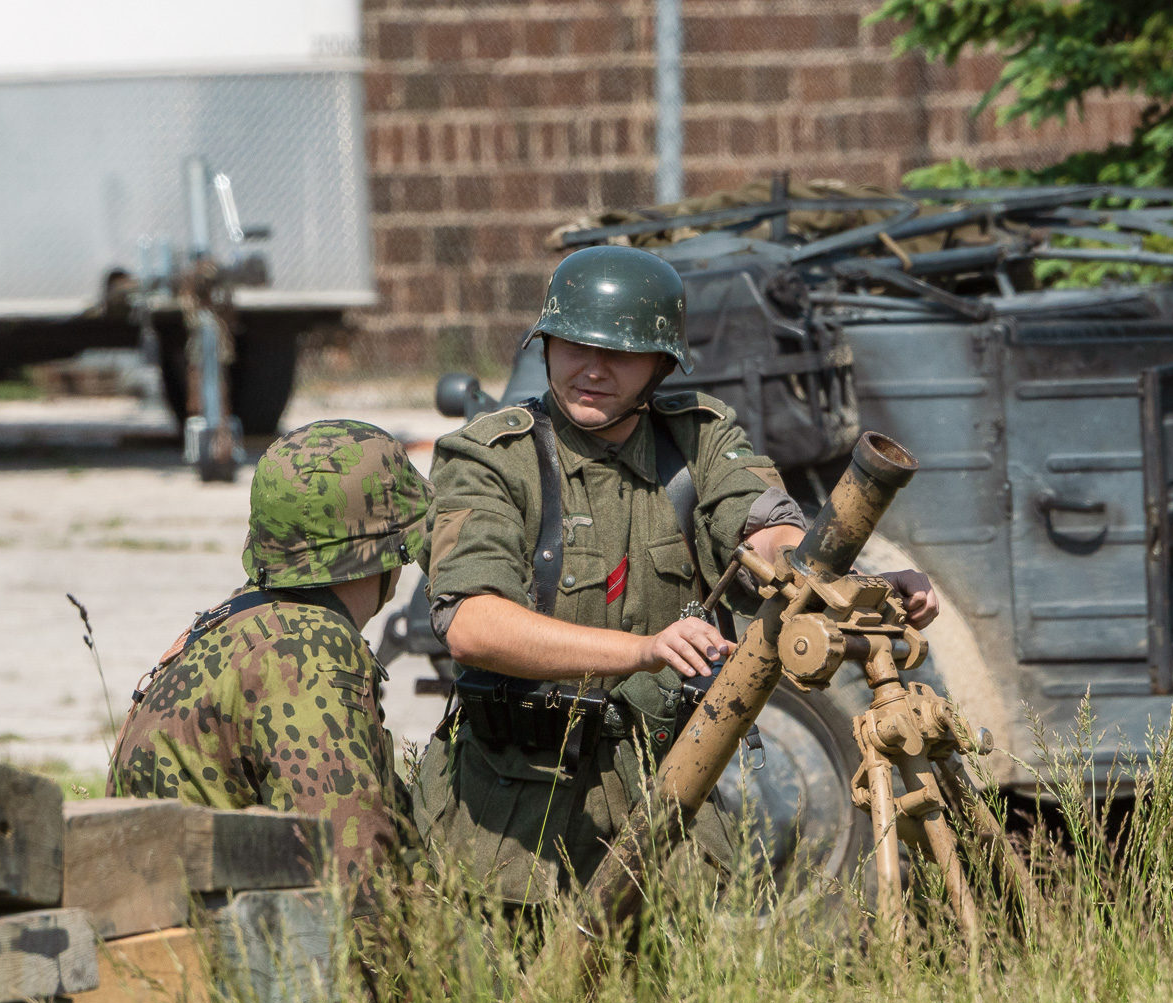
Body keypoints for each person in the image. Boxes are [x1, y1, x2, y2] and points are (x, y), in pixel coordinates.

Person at [410, 245, 936, 906]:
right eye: (573, 347)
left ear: (662, 365)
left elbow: (770, 534)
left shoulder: (700, 438)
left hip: (670, 809)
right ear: (544, 347)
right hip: (516, 823)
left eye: (620, 354)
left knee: (672, 1002)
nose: (592, 371)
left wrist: (862, 582)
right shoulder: (490, 458)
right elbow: (472, 624)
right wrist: (642, 651)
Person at [111, 419, 429, 888]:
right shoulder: (306, 652)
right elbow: (348, 876)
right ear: (388, 550)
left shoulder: (241, 624)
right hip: (211, 943)